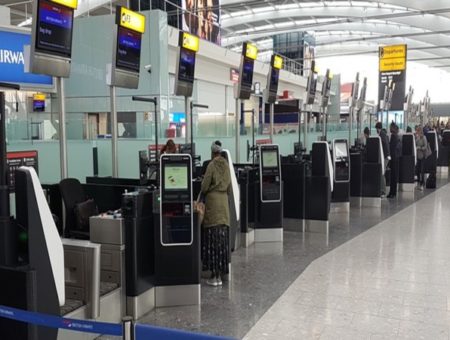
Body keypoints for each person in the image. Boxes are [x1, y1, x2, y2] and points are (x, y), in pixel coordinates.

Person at [201, 142, 231, 287]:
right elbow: (230, 186)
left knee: (213, 240)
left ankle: (214, 276)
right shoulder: (226, 165)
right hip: (224, 205)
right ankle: (221, 274)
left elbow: (205, 186)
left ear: (212, 153)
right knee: (222, 240)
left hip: (213, 204)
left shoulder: (211, 165)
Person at [375, 122, 390, 197]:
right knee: (382, 172)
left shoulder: (382, 135)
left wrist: (386, 155)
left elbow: (385, 145)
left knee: (382, 173)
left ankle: (383, 191)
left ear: (378, 128)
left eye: (376, 129)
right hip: (386, 156)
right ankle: (382, 190)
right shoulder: (383, 134)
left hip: (385, 157)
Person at [388, 123, 401, 198]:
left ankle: (392, 192)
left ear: (392, 128)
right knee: (394, 176)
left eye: (390, 127)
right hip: (396, 158)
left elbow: (391, 148)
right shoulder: (397, 136)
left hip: (393, 159)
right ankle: (393, 192)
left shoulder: (393, 136)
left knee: (393, 176)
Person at [415, 126, 429, 191]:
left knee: (422, 171)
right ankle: (419, 182)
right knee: (418, 170)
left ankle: (422, 184)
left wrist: (420, 148)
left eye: (417, 131)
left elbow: (425, 146)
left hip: (422, 156)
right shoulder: (417, 137)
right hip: (418, 156)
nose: (416, 132)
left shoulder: (424, 137)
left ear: (420, 131)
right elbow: (415, 144)